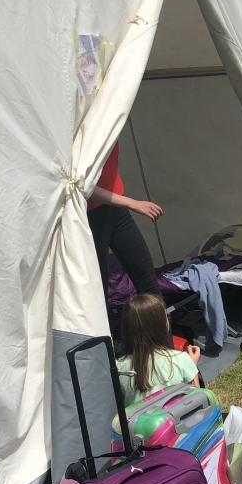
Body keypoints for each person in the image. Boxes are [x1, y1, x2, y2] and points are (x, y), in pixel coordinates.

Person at [88, 142, 164, 299]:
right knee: (98, 295)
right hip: (89, 218)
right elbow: (82, 184)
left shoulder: (110, 128)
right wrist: (132, 203)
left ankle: (159, 316)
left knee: (149, 286)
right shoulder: (79, 134)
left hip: (117, 211)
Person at [116, 293, 201, 407]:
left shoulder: (118, 367)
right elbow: (197, 400)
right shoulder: (181, 359)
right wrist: (192, 366)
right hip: (175, 418)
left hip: (138, 419)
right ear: (163, 324)